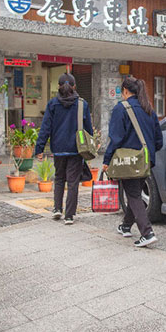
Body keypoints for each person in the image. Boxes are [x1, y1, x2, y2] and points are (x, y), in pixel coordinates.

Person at [102, 76, 163, 248]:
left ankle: (147, 232)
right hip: (145, 160)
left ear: (125, 91)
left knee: (133, 194)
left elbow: (115, 139)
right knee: (134, 192)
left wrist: (107, 160)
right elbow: (159, 140)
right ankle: (126, 226)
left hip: (128, 161)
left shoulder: (121, 109)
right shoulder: (149, 109)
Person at [35, 73, 93, 225]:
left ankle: (57, 209)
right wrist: (91, 145)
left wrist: (39, 148)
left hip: (58, 148)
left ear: (58, 87)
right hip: (76, 149)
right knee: (73, 182)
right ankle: (69, 216)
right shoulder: (82, 104)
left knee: (59, 178)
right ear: (74, 86)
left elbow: (45, 128)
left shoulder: (53, 104)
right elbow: (88, 130)